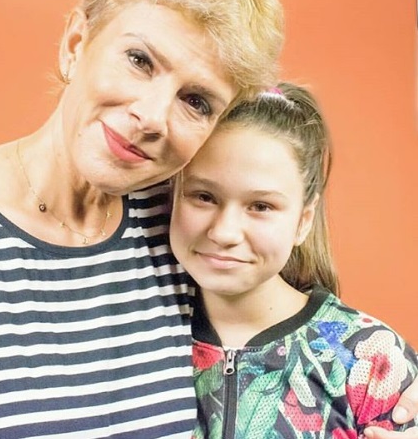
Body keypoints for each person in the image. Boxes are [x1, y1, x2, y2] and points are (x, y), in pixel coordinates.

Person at [0, 0, 416, 439]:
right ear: (75, 43)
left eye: (196, 101)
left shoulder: (177, 229)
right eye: (139, 60)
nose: (153, 117)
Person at [169, 82, 418, 438]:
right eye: (204, 196)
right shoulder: (137, 336)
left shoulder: (371, 359)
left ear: (303, 220)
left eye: (261, 206)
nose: (224, 232)